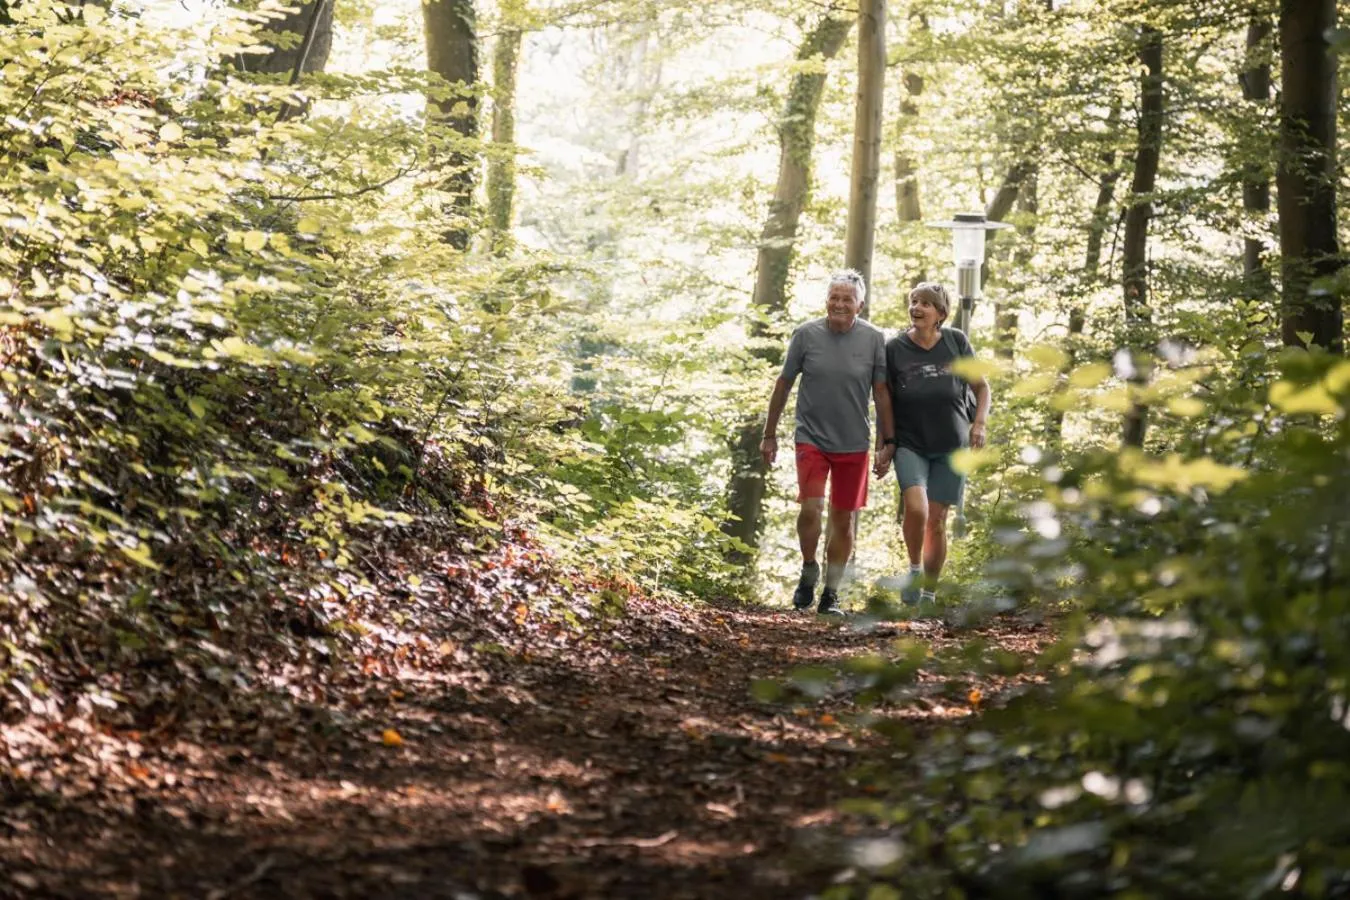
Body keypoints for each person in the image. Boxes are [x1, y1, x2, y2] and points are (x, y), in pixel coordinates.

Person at [760, 270, 895, 615]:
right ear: (826, 300)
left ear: (859, 305)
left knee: (843, 520)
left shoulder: (874, 339)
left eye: (846, 299)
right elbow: (784, 383)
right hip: (811, 438)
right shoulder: (806, 335)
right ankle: (809, 568)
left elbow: (881, 392)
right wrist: (769, 433)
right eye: (834, 297)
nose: (838, 304)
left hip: (853, 442)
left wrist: (886, 442)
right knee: (811, 508)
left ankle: (830, 593)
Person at [874, 281, 991, 605]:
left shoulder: (956, 341)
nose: (916, 307)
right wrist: (884, 445)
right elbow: (883, 397)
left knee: (937, 521)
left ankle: (928, 593)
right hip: (911, 443)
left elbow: (982, 387)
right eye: (913, 301)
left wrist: (978, 424)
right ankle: (914, 569)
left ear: (940, 313)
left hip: (952, 447)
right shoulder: (895, 348)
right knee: (917, 508)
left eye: (925, 303)